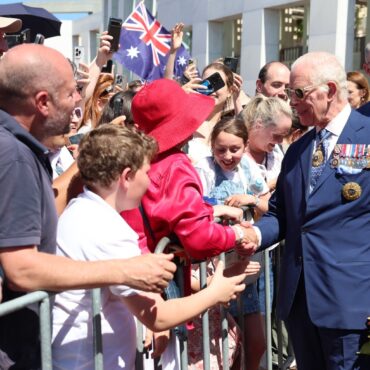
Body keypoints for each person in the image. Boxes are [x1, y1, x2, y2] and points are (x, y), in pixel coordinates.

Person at [0, 44, 176, 368]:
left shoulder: (19, 150)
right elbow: (20, 268)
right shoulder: (14, 157)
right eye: (71, 93)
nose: (79, 100)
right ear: (42, 102)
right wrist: (126, 270)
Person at [52, 124, 251, 369]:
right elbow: (158, 316)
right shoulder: (107, 228)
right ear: (126, 177)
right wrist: (215, 293)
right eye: (146, 172)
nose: (149, 182)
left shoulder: (82, 210)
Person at [242, 51, 370, 370]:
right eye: (288, 93)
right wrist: (253, 234)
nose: (291, 102)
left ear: (328, 90)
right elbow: (281, 214)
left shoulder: (367, 136)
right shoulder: (299, 148)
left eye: (298, 93)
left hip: (351, 302)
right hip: (300, 302)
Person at [195, 116, 270, 370]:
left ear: (245, 146)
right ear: (211, 146)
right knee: (227, 345)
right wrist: (221, 209)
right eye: (221, 149)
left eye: (234, 149)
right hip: (215, 268)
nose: (227, 155)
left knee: (256, 343)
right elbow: (196, 209)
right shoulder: (203, 169)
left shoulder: (248, 168)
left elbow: (266, 205)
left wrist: (249, 199)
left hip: (245, 264)